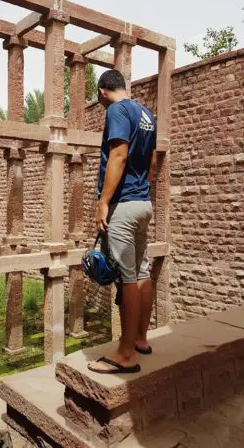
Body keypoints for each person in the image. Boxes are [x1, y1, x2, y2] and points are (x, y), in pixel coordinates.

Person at [88, 69, 157, 374]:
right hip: (143, 202)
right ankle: (141, 338)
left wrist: (103, 202)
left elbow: (118, 155)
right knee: (142, 270)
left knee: (126, 276)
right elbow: (151, 160)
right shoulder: (146, 113)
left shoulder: (117, 110)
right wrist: (142, 189)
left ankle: (126, 354)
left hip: (124, 205)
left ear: (102, 91)